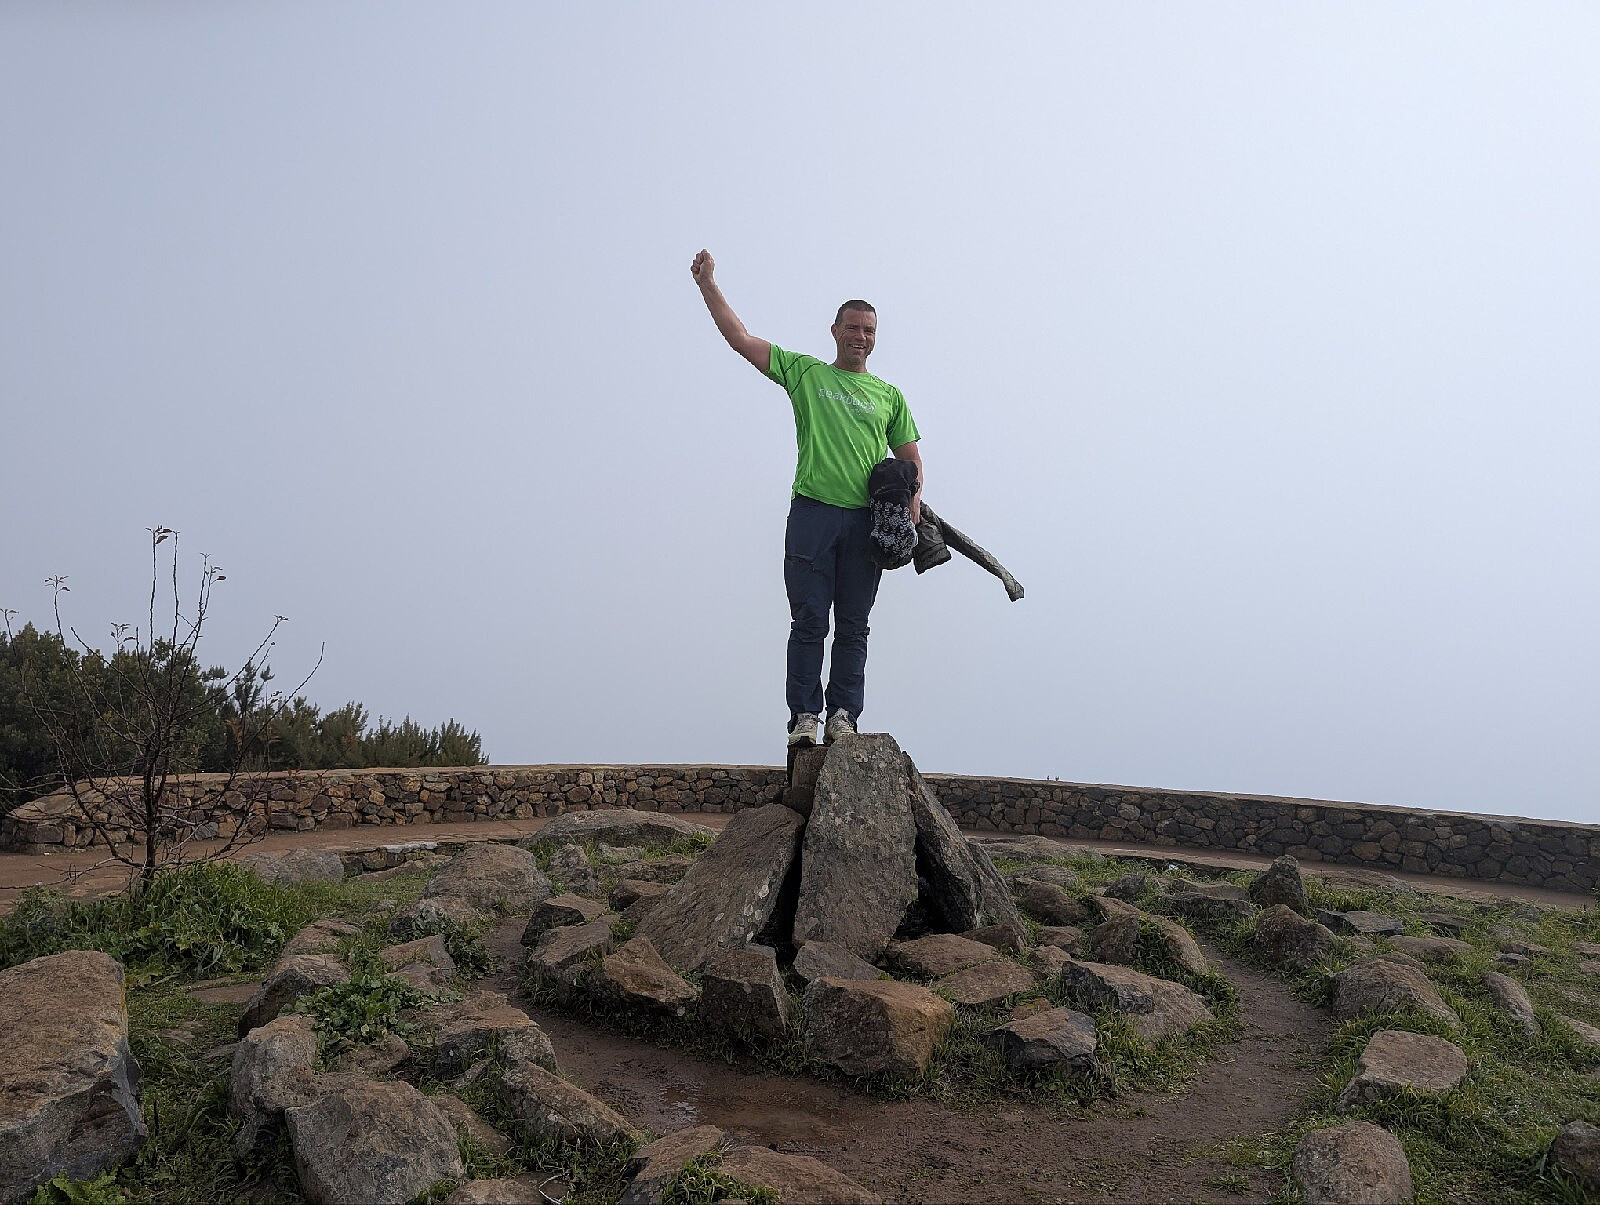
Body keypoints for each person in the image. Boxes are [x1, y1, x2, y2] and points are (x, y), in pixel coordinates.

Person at [691, 249, 923, 748]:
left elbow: (910, 459)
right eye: (853, 327)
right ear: (835, 330)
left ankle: (843, 716)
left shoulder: (889, 396)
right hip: (812, 515)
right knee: (810, 621)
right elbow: (741, 338)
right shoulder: (806, 373)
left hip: (864, 524)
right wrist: (708, 285)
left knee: (854, 626)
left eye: (869, 331)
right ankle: (804, 717)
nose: (861, 336)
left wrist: (911, 507)